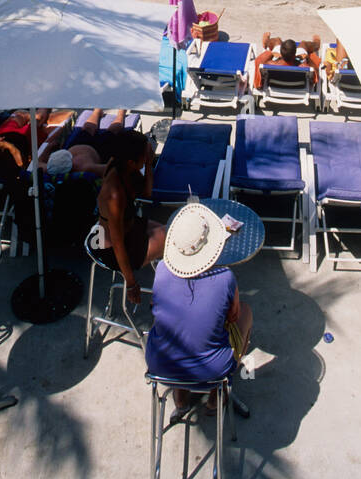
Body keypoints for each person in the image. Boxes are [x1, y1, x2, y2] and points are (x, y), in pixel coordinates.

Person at [145, 202, 253, 412]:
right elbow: (232, 317)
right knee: (246, 313)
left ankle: (181, 399)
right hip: (212, 371)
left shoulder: (162, 270)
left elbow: (154, 305)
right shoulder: (225, 278)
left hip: (160, 366)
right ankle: (215, 399)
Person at [96, 131, 165, 307]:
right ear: (131, 162)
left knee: (171, 230)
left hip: (131, 228)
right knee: (173, 242)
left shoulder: (125, 168)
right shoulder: (115, 194)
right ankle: (162, 297)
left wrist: (148, 164)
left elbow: (146, 193)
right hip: (114, 249)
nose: (149, 154)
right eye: (145, 154)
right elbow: (117, 243)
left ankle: (165, 287)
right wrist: (131, 283)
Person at [254, 33, 321, 88]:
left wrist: (271, 54)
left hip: (274, 85)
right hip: (297, 87)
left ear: (280, 52)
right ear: (295, 53)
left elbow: (259, 61)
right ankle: (316, 44)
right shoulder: (304, 67)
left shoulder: (270, 64)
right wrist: (307, 58)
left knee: (277, 40)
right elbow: (316, 72)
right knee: (304, 44)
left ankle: (267, 42)